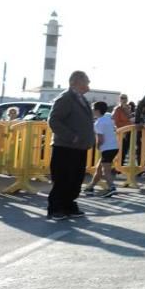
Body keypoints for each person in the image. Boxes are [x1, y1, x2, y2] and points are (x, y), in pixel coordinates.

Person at [46, 71, 95, 219]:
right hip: (65, 147)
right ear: (76, 82)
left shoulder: (82, 99)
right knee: (62, 178)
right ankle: (55, 208)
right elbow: (53, 121)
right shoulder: (65, 98)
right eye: (86, 81)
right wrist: (71, 137)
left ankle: (69, 205)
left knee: (75, 179)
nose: (89, 83)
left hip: (79, 147)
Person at [84, 101, 118, 197]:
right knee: (99, 169)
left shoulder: (98, 123)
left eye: (93, 109)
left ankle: (112, 187)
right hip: (114, 147)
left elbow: (100, 139)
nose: (92, 111)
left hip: (107, 148)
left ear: (97, 110)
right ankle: (91, 187)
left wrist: (98, 146)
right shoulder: (107, 118)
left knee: (105, 170)